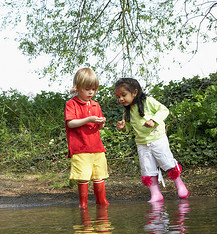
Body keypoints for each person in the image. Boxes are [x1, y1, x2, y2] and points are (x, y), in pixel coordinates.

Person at [115, 78, 189, 202]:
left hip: (157, 139)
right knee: (147, 168)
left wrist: (154, 120)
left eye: (123, 95)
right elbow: (128, 127)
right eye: (118, 97)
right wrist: (123, 127)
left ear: (134, 92)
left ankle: (180, 185)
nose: (121, 99)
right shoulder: (127, 110)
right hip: (142, 143)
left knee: (167, 162)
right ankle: (155, 194)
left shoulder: (148, 101)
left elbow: (164, 110)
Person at [65, 68, 109, 209]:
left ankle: (101, 202)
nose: (91, 92)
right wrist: (88, 119)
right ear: (78, 88)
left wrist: (101, 122)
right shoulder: (71, 104)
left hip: (97, 147)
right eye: (87, 89)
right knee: (83, 176)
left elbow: (99, 128)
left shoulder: (96, 105)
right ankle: (82, 204)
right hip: (80, 148)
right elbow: (71, 123)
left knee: (99, 176)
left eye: (94, 89)